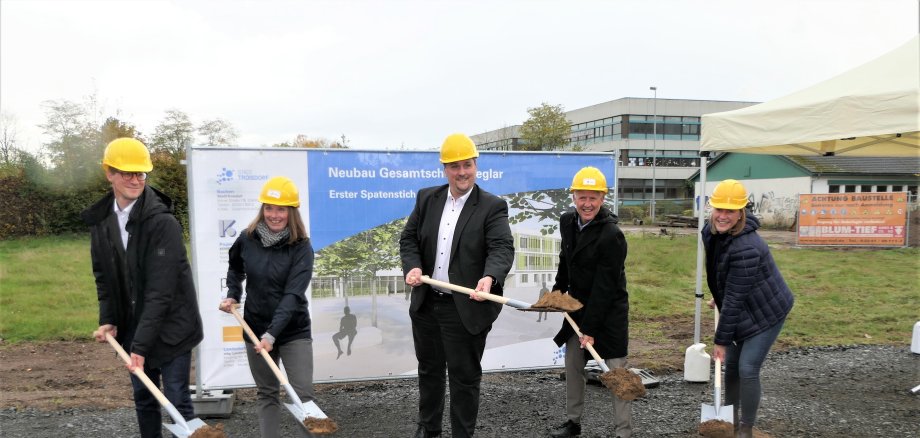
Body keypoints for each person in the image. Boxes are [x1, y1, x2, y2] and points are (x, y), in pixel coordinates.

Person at [84, 137, 203, 438]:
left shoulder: (162, 223)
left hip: (173, 325)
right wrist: (109, 318)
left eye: (141, 173)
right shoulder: (101, 222)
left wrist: (140, 346)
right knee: (145, 400)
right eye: (127, 173)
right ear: (109, 172)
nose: (136, 180)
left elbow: (161, 290)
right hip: (134, 326)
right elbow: (104, 278)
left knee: (177, 401)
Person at [400, 133, 515, 438]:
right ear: (445, 169)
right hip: (427, 304)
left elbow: (502, 248)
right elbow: (409, 239)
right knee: (429, 372)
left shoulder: (492, 206)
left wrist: (490, 277)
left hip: (464, 308)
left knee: (464, 379)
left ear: (476, 166)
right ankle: (428, 430)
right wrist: (413, 266)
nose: (462, 172)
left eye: (467, 165)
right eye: (455, 166)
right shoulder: (427, 198)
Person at [218, 176, 316, 438]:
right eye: (269, 208)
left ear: (291, 212)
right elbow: (235, 267)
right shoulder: (247, 239)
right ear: (262, 209)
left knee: (303, 395)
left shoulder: (302, 248)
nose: (274, 215)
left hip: (293, 330)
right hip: (254, 326)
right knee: (267, 393)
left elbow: (293, 295)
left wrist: (272, 334)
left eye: (281, 209)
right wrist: (233, 294)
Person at [702, 179, 794, 438]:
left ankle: (746, 428)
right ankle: (727, 419)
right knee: (731, 367)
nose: (722, 216)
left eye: (730, 211)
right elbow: (720, 270)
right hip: (741, 304)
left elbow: (735, 299)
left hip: (767, 312)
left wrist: (720, 341)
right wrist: (717, 295)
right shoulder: (710, 232)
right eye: (719, 209)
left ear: (741, 212)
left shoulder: (748, 247)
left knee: (747, 368)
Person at [550, 166, 632, 438]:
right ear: (573, 197)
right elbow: (566, 260)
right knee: (573, 367)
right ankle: (573, 423)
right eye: (581, 197)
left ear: (602, 199)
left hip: (608, 314)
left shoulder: (612, 236)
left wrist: (592, 329)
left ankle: (623, 431)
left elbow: (605, 288)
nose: (587, 204)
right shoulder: (567, 222)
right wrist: (557, 294)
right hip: (578, 309)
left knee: (616, 374)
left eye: (593, 198)